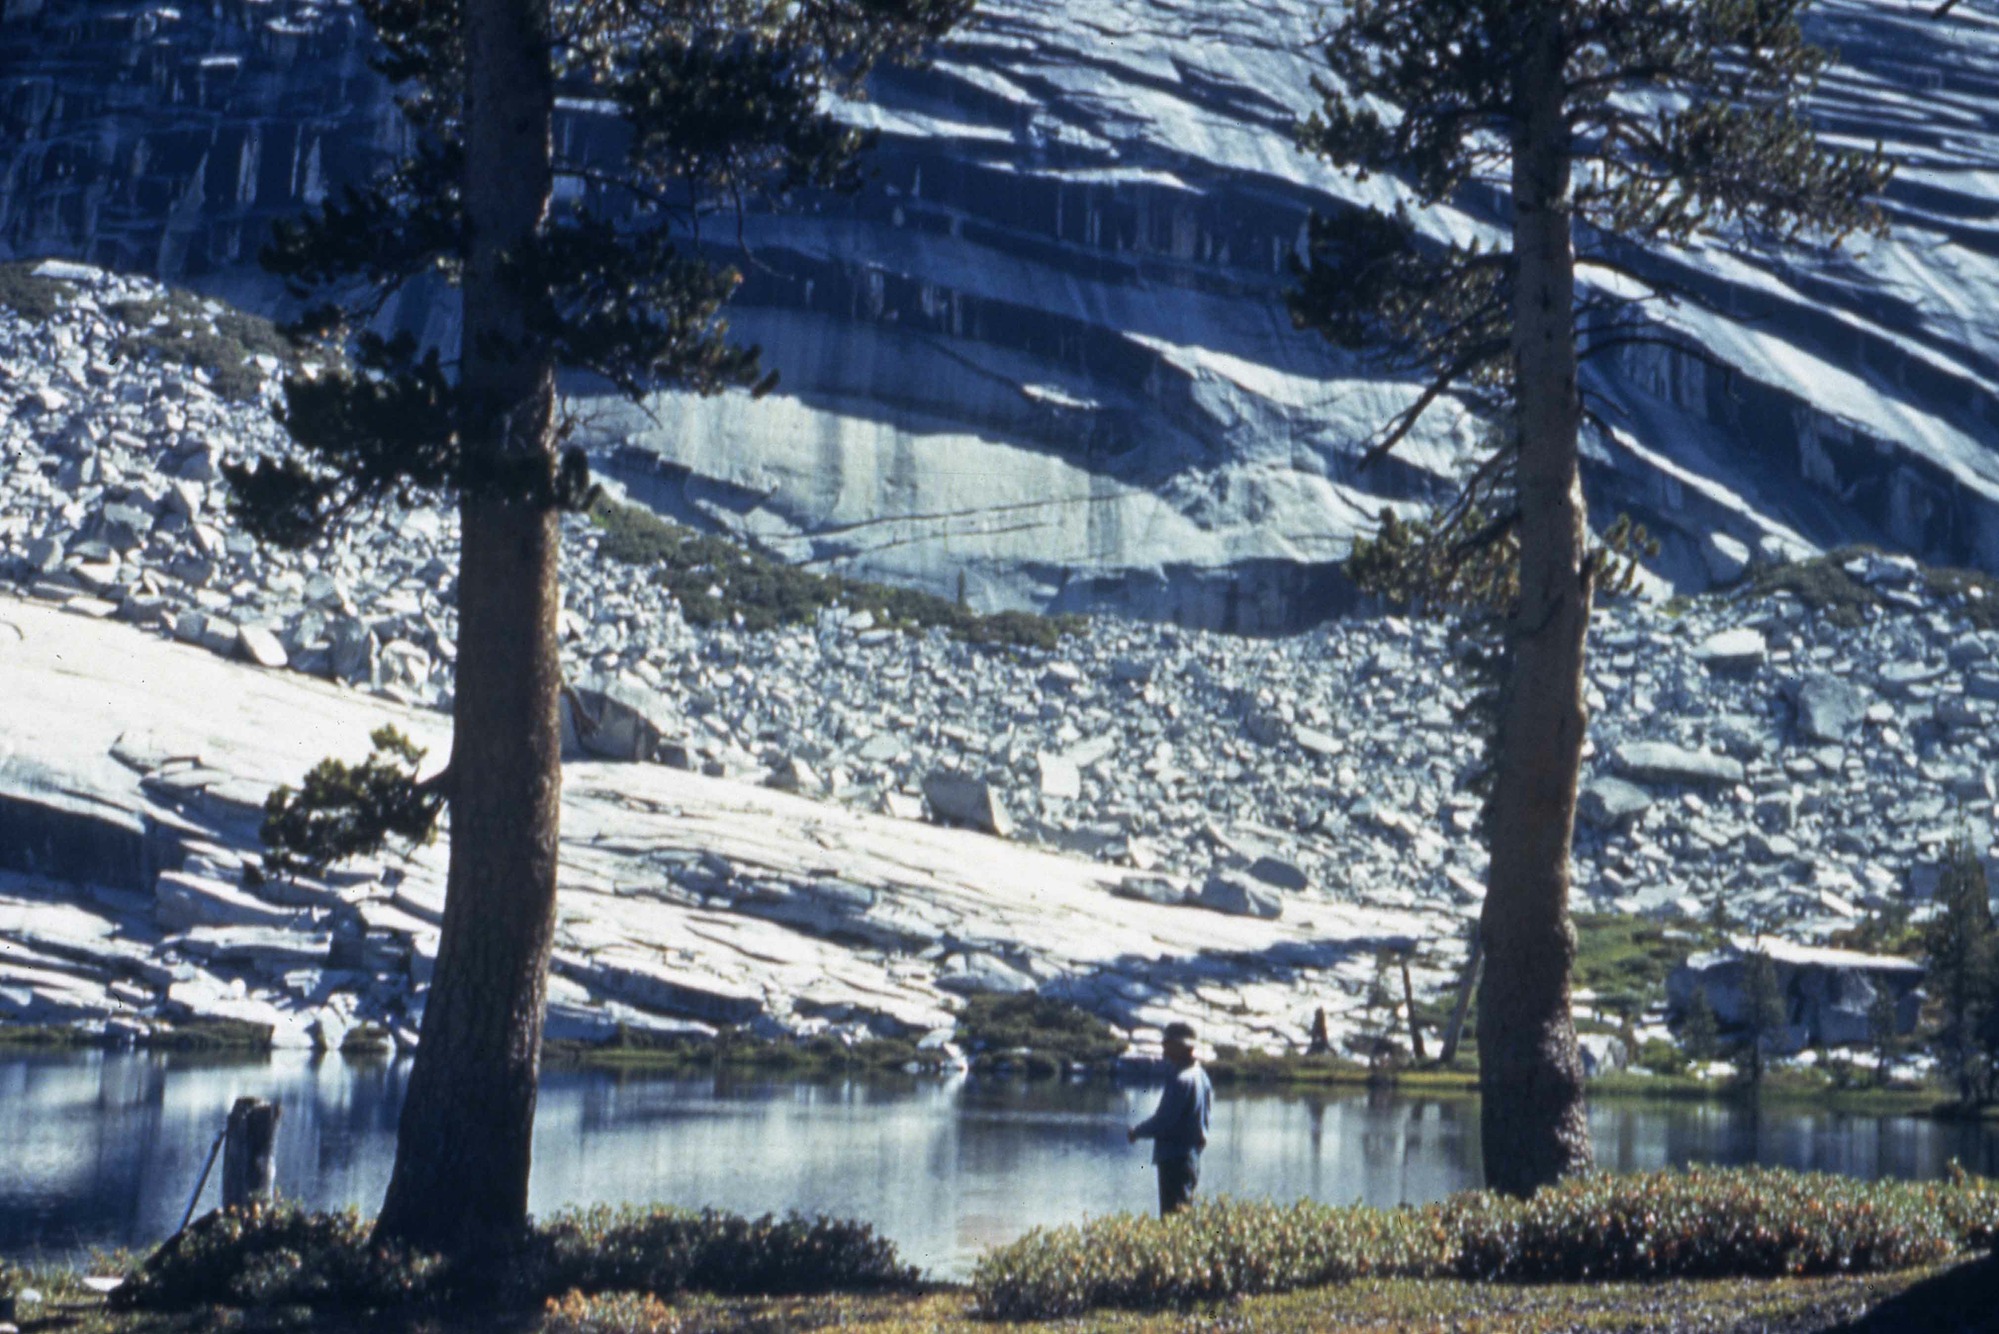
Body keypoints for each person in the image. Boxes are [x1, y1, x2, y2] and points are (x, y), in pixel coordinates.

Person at [1127, 1020, 1212, 1216]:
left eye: (1167, 1045)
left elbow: (1164, 1121)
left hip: (1174, 1160)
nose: (1163, 1051)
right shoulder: (1201, 1075)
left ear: (1181, 1046)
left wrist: (1137, 1132)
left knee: (1172, 1218)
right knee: (1184, 1215)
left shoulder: (1181, 1080)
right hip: (1191, 1158)